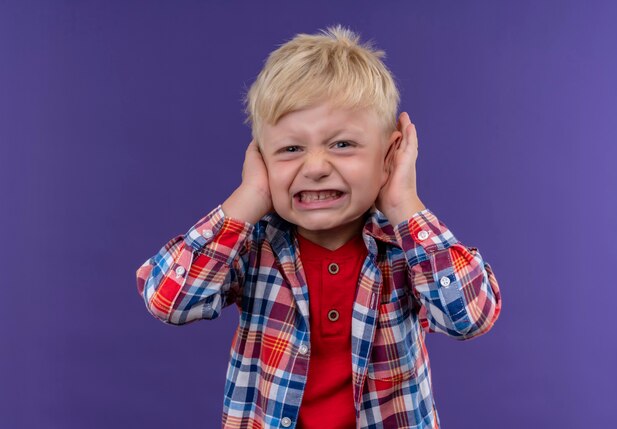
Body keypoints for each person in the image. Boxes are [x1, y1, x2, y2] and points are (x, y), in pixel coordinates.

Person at [135, 24, 502, 429]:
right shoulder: (254, 245)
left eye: (342, 144)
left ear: (390, 154)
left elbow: (471, 316)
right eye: (290, 149)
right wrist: (249, 196)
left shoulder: (404, 248)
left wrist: (403, 204)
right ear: (260, 159)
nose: (315, 168)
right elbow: (168, 299)